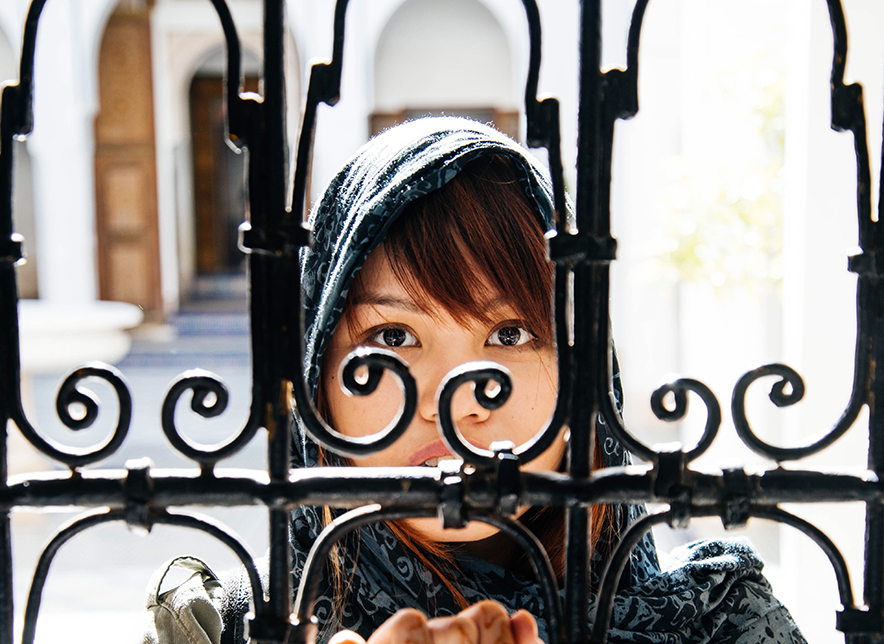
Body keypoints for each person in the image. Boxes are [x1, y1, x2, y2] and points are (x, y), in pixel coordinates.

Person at [143, 117, 806, 644]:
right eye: (393, 338)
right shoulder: (215, 630)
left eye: (510, 334)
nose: (454, 401)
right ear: (317, 376)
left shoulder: (719, 624)